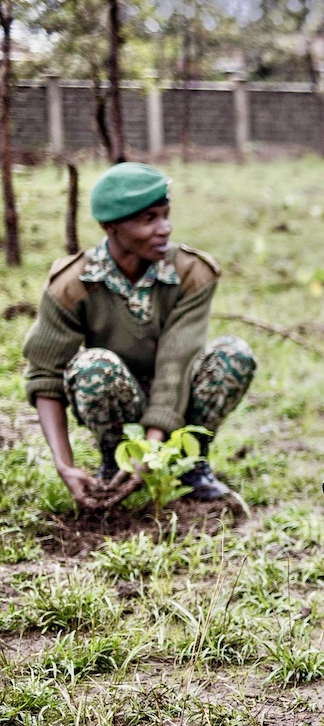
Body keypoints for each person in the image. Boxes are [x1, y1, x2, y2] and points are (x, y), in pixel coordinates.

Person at [22, 162, 254, 509]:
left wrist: (155, 444)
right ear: (110, 226)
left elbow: (176, 363)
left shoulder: (191, 272)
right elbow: (44, 376)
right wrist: (64, 466)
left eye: (165, 214)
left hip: (177, 398)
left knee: (233, 354)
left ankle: (189, 464)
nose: (165, 229)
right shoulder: (72, 285)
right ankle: (116, 462)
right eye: (148, 219)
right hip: (119, 399)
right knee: (93, 367)